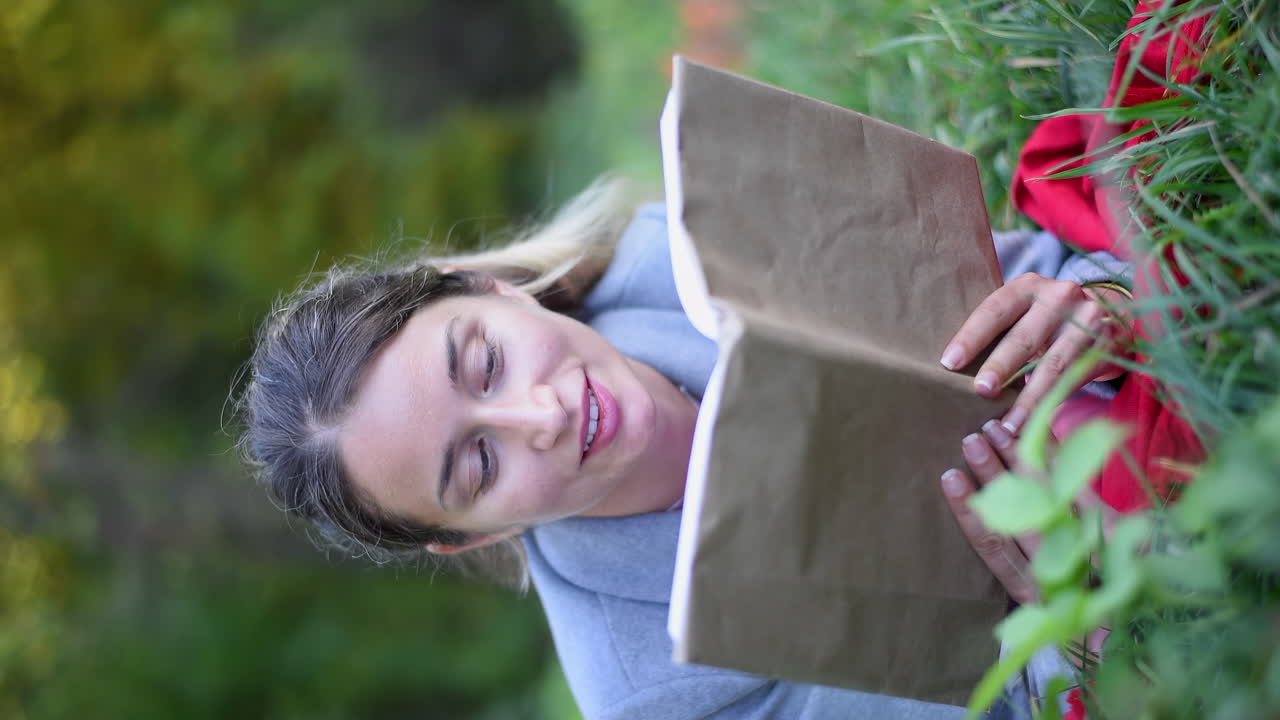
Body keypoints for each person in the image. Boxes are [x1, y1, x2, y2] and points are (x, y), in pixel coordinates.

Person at [240, 178, 1132, 719]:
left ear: (492, 289)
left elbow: (1041, 274)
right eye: (478, 465)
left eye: (486, 362)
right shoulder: (658, 691)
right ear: (470, 537)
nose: (535, 418)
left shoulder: (680, 249)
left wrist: (1099, 303)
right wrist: (1075, 633)